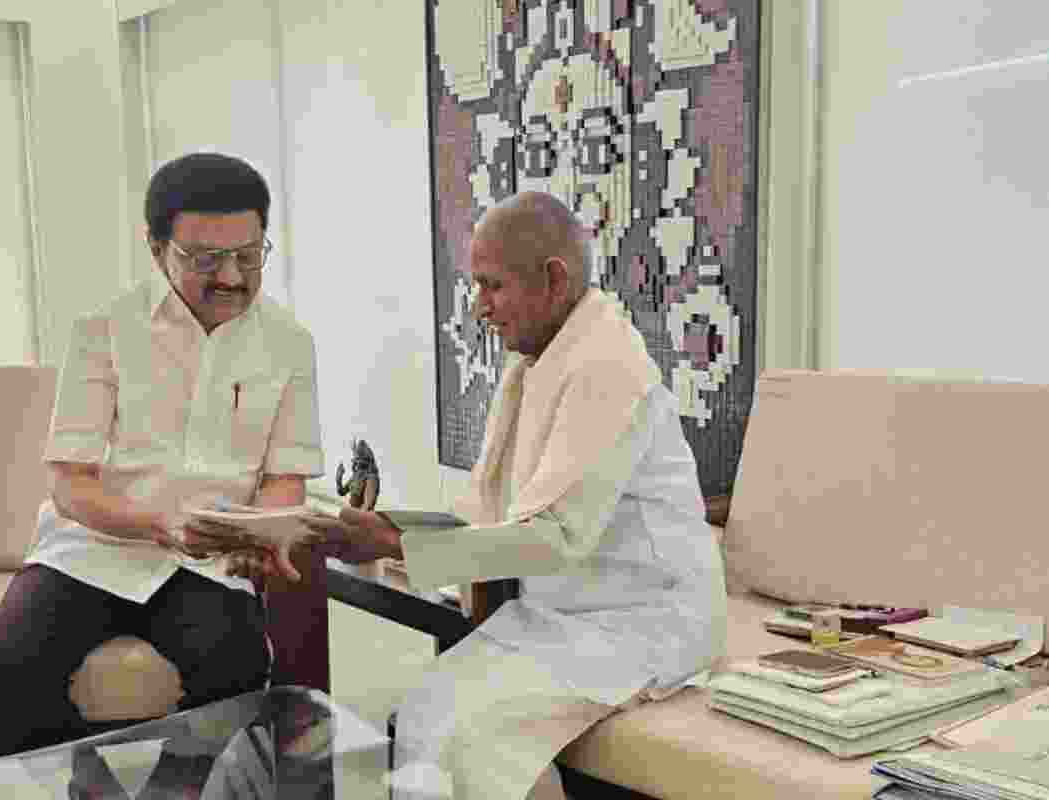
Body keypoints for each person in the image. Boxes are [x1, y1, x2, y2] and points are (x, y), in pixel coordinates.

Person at [300, 192, 728, 799]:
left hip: (642, 622)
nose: (479, 308)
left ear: (554, 280)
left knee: (477, 737)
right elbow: (487, 516)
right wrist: (382, 529)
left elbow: (555, 536)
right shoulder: (538, 362)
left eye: (491, 286)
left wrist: (396, 542)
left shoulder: (606, 367)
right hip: (566, 615)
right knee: (426, 710)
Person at [0, 152, 324, 757]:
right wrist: (157, 523)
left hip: (206, 563)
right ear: (156, 246)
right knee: (7, 667)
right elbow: (72, 484)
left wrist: (259, 532)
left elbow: (283, 479)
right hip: (93, 549)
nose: (232, 278)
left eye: (248, 256)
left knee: (236, 670)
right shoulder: (102, 330)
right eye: (206, 260)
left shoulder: (289, 345)